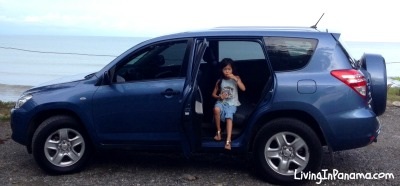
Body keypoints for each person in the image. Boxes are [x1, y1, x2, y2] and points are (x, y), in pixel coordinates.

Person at [211, 58, 246, 150]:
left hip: (232, 103)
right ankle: (218, 132)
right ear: (222, 70)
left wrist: (235, 79)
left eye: (229, 69)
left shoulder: (236, 79)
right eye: (225, 69)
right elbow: (213, 94)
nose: (227, 71)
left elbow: (243, 89)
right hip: (222, 102)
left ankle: (228, 140)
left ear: (232, 70)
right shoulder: (220, 81)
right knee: (216, 109)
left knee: (228, 117)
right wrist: (219, 97)